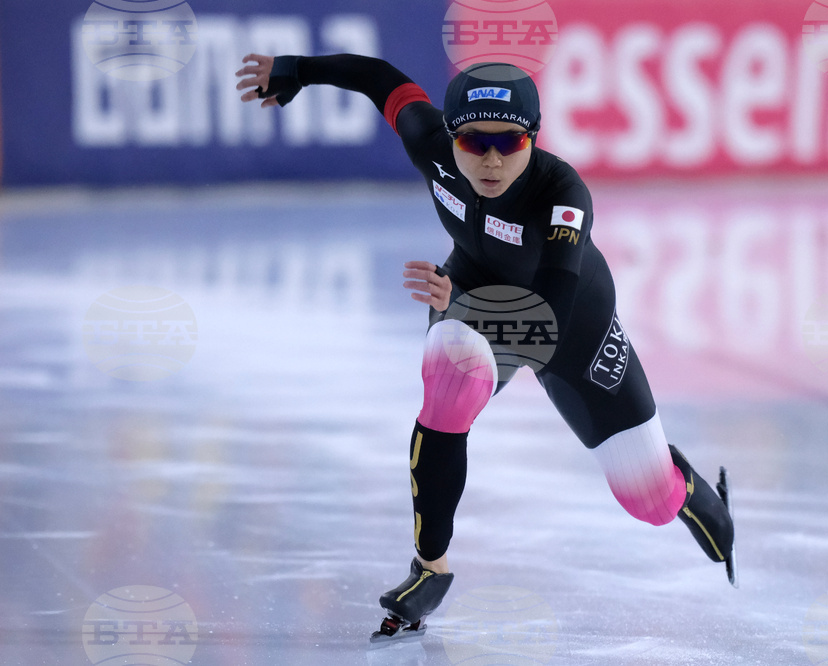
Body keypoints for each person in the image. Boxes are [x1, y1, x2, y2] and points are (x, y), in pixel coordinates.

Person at [236, 52, 735, 642]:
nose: (493, 159)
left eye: (510, 142)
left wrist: (472, 309)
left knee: (647, 501)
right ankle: (430, 567)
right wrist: (298, 68)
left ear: (532, 139)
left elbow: (548, 313)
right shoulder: (429, 146)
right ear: (450, 138)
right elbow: (381, 80)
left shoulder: (562, 192)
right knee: (448, 374)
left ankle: (687, 489)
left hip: (573, 326)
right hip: (473, 292)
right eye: (475, 143)